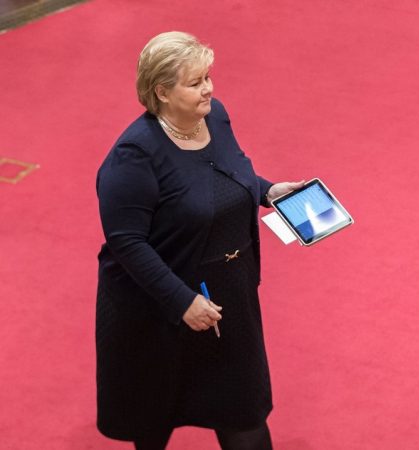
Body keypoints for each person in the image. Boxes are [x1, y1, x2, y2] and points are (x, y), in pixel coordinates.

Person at [95, 31, 302, 450]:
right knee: (154, 418)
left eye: (208, 76)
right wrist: (181, 301)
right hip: (158, 309)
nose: (208, 88)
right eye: (195, 82)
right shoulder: (134, 156)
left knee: (243, 410)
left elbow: (223, 175)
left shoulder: (215, 116)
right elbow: (126, 242)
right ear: (162, 92)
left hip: (227, 296)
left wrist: (267, 192)